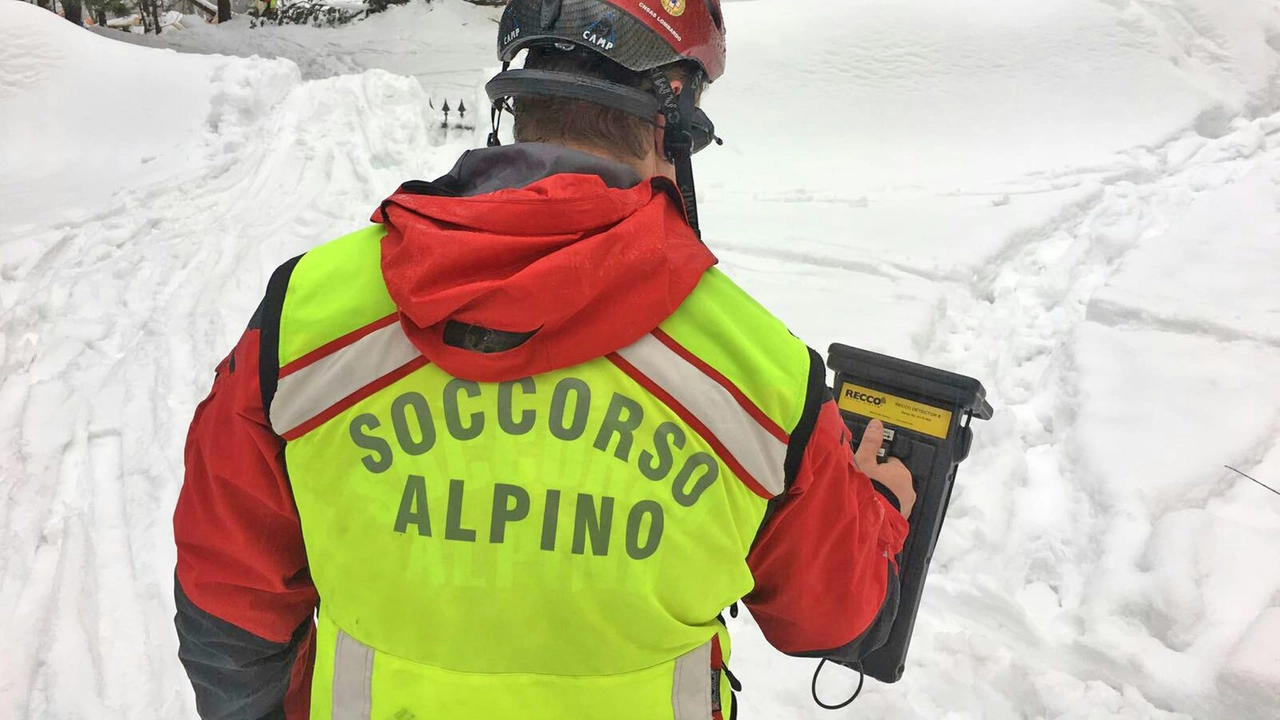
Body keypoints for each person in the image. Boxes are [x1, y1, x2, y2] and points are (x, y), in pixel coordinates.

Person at [172, 1, 916, 718]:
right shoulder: (762, 378)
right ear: (671, 129)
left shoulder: (307, 319)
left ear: (514, 109)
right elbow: (835, 618)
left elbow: (228, 608)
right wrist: (878, 505)